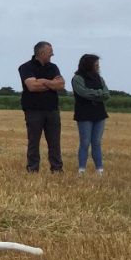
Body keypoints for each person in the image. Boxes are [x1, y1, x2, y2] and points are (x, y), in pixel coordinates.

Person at [19, 41, 65, 172]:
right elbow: (32, 86)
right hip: (33, 110)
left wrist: (43, 81)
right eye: (50, 53)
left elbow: (61, 85)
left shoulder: (53, 67)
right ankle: (33, 169)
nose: (52, 55)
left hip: (52, 109)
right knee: (33, 142)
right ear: (42, 53)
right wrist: (51, 84)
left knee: (55, 142)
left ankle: (57, 169)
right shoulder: (25, 67)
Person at [71, 53, 110, 176]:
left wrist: (94, 94)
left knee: (97, 142)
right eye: (96, 64)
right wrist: (99, 94)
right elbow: (83, 93)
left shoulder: (100, 78)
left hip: (99, 114)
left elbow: (107, 94)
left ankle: (100, 170)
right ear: (88, 65)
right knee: (85, 142)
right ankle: (81, 169)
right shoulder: (77, 78)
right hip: (84, 114)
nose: (98, 66)